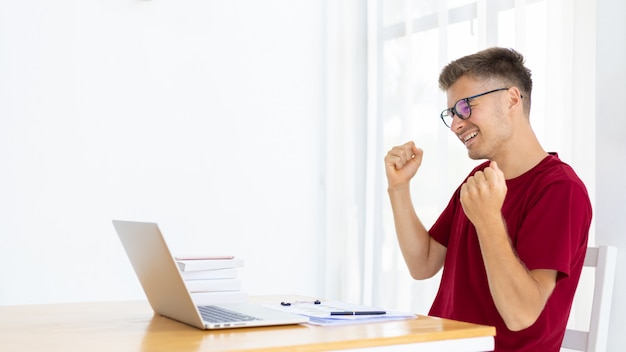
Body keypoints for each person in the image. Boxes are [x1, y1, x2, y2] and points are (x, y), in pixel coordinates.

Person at [384, 47, 591, 351]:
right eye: (451, 113)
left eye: (466, 107)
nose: (455, 124)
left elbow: (521, 314)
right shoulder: (480, 178)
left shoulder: (560, 190)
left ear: (511, 100)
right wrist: (399, 189)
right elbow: (423, 263)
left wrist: (489, 220)